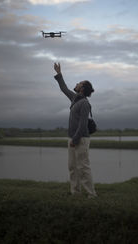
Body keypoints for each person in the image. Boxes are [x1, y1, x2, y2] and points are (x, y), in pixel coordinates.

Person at [54, 62, 97, 198]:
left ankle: (91, 194)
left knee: (83, 167)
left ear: (82, 88)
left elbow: (83, 124)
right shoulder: (75, 99)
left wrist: (75, 139)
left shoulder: (84, 103)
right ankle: (75, 193)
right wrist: (59, 74)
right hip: (73, 138)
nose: (77, 83)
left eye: (79, 83)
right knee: (72, 167)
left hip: (80, 139)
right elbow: (64, 89)